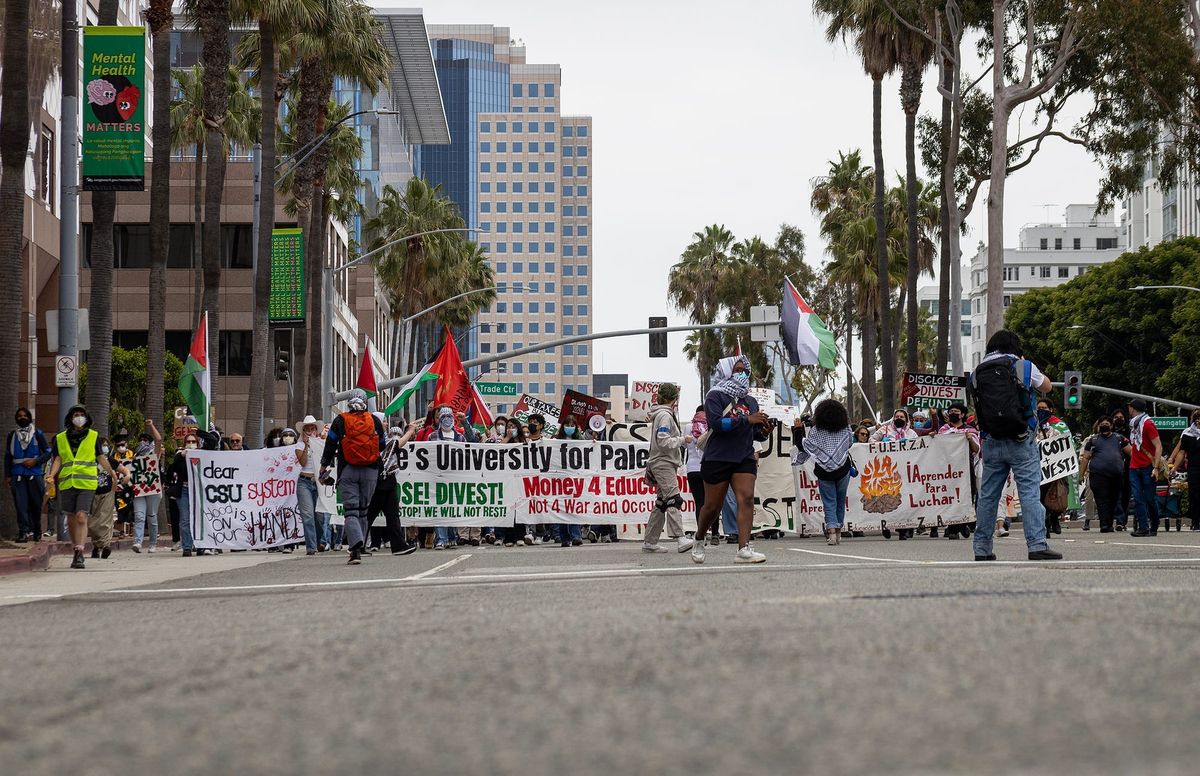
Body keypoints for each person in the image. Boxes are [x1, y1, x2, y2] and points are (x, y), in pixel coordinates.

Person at [968, 329, 1062, 561]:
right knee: (1029, 493)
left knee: (988, 496)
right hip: (1021, 438)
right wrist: (1023, 363)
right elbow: (1047, 387)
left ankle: (982, 548)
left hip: (992, 439)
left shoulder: (977, 373)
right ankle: (1037, 545)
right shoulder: (1022, 366)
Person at [690, 355, 771, 564]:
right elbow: (717, 424)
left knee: (746, 498)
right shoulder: (714, 396)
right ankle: (699, 537)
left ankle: (744, 549)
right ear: (727, 372)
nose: (742, 374)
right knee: (712, 507)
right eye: (738, 370)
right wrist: (747, 419)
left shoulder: (750, 400)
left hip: (744, 456)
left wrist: (763, 431)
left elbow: (753, 433)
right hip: (718, 457)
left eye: (745, 370)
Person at [320, 389, 387, 565]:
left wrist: (323, 466)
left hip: (348, 469)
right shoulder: (374, 420)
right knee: (363, 510)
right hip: (371, 470)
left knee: (351, 511)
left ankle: (355, 549)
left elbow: (330, 444)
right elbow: (382, 445)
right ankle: (361, 544)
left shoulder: (340, 420)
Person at [46, 405, 103, 569]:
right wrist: (51, 475)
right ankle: (75, 547)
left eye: (81, 414)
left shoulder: (93, 436)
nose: (79, 417)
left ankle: (80, 551)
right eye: (75, 415)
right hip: (67, 483)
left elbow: (101, 458)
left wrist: (113, 475)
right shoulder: (60, 438)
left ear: (87, 417)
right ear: (70, 419)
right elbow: (58, 459)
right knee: (71, 518)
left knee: (81, 516)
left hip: (87, 483)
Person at [641, 383, 694, 554]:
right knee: (673, 499)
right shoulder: (665, 415)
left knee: (662, 502)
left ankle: (650, 541)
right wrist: (682, 440)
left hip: (661, 462)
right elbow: (663, 440)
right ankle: (680, 538)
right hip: (664, 462)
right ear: (674, 399)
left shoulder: (661, 414)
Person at [792, 399, 854, 546]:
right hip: (843, 470)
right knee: (840, 501)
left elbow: (803, 445)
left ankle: (831, 531)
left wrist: (798, 430)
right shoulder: (845, 429)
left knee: (829, 502)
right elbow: (850, 443)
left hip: (824, 472)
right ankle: (838, 531)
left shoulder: (815, 431)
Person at [368, 422, 420, 556]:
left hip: (388, 482)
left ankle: (399, 546)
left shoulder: (381, 438)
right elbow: (397, 444)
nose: (385, 423)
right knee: (369, 515)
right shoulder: (378, 440)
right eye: (382, 421)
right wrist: (410, 431)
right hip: (379, 482)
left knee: (392, 515)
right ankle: (356, 544)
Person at [6, 407, 52, 542]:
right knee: (21, 504)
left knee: (36, 504)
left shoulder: (38, 434)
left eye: (25, 415)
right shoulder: (12, 435)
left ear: (29, 418)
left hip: (35, 473)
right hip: (17, 474)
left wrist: (36, 461)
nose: (22, 418)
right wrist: (7, 475)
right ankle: (23, 532)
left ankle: (37, 529)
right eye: (19, 416)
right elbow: (8, 456)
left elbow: (48, 452)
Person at [1081, 416, 1131, 533]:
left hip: (1116, 476)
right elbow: (1085, 458)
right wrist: (1081, 474)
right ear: (1098, 426)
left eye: (1107, 424)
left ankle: (1109, 523)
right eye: (1102, 424)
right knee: (1101, 500)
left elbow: (1132, 452)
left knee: (1114, 500)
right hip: (1098, 476)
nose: (1105, 425)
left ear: (1111, 426)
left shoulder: (1119, 438)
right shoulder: (1092, 441)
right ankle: (1104, 524)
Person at [937, 403, 980, 539]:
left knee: (966, 496)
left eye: (956, 411)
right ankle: (953, 528)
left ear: (962, 415)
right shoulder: (943, 430)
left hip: (965, 468)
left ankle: (963, 523)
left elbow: (976, 449)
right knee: (951, 496)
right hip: (948, 469)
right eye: (950, 411)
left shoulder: (970, 430)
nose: (952, 414)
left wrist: (970, 440)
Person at [1125, 398, 1163, 537]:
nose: (1128, 409)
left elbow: (1158, 446)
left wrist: (1156, 467)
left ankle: (1154, 523)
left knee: (1149, 498)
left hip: (1147, 466)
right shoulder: (1134, 425)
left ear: (1133, 408)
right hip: (1134, 466)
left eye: (1130, 407)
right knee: (1137, 498)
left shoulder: (1147, 424)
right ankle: (1143, 527)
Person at [86, 436, 126, 559]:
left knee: (105, 520)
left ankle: (105, 545)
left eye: (106, 445)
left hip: (108, 493)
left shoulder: (110, 461)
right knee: (93, 523)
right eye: (102, 445)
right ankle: (96, 546)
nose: (105, 447)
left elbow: (124, 470)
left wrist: (127, 476)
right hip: (92, 493)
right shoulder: (90, 460)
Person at [684, 405, 718, 547]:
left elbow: (685, 446)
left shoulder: (688, 427)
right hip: (709, 466)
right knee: (713, 502)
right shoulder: (712, 425)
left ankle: (701, 535)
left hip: (692, 468)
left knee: (699, 503)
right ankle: (715, 534)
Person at [130, 420, 165, 553]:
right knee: (139, 516)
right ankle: (137, 542)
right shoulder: (135, 456)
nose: (142, 442)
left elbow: (159, 440)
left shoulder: (154, 454)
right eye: (141, 440)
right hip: (139, 490)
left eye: (145, 440)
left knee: (151, 516)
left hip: (153, 490)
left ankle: (152, 543)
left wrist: (151, 425)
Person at [554, 417, 590, 547]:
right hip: (560, 479)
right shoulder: (555, 440)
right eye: (567, 425)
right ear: (562, 426)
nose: (569, 427)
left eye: (572, 425)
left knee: (574, 507)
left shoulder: (581, 440)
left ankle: (576, 536)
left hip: (575, 478)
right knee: (562, 509)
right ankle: (565, 538)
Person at [168, 432, 204, 556]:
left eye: (193, 441)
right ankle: (187, 547)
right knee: (185, 519)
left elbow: (212, 441)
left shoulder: (202, 454)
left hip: (198, 491)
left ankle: (199, 545)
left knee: (198, 519)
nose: (191, 444)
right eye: (188, 442)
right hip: (183, 490)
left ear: (197, 443)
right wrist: (181, 456)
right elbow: (174, 469)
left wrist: (200, 432)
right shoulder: (180, 455)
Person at [295, 417, 324, 556]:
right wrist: (307, 446)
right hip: (304, 482)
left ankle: (319, 541)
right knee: (308, 515)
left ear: (316, 430)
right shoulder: (299, 445)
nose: (310, 431)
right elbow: (302, 462)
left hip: (318, 482)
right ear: (303, 431)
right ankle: (311, 547)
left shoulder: (321, 444)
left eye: (312, 428)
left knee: (319, 516)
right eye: (307, 429)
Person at [1170, 409, 1200, 531]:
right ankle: (1196, 521)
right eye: (1197, 418)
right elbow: (1182, 452)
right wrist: (1175, 467)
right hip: (1194, 467)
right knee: (1194, 494)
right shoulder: (1187, 433)